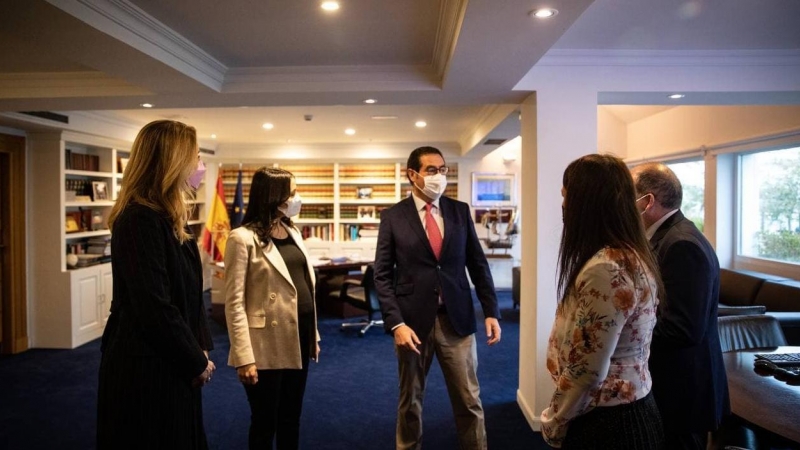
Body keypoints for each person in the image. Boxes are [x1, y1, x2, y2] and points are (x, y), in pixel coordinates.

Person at [97, 120, 215, 449]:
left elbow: (189, 293)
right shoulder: (139, 219)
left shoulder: (170, 217)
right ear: (172, 161)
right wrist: (195, 359)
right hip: (147, 367)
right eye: (195, 156)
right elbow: (154, 305)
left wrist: (200, 346)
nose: (200, 166)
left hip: (172, 359)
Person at [374, 146, 501, 450]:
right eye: (432, 170)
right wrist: (395, 323)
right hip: (412, 325)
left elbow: (477, 264)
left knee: (469, 400)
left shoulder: (459, 211)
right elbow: (382, 274)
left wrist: (491, 310)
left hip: (455, 320)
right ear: (413, 175)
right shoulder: (393, 217)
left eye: (443, 170)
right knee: (410, 401)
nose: (439, 176)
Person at [540, 154, 665, 449]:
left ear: (586, 202)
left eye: (565, 196)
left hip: (609, 423)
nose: (563, 205)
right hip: (622, 412)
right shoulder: (625, 253)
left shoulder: (606, 268)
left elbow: (587, 371)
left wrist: (554, 419)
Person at [630, 162, 729, 450]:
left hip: (683, 393)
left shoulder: (682, 244)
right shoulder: (666, 237)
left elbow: (684, 329)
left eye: (627, 197)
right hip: (671, 387)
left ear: (647, 201)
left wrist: (627, 335)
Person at [224, 167, 321, 450]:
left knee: (292, 417)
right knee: (266, 421)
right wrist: (243, 357)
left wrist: (313, 335)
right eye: (292, 193)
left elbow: (304, 285)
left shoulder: (291, 230)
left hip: (298, 338)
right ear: (273, 196)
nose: (297, 198)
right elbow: (234, 302)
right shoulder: (241, 238)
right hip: (264, 345)